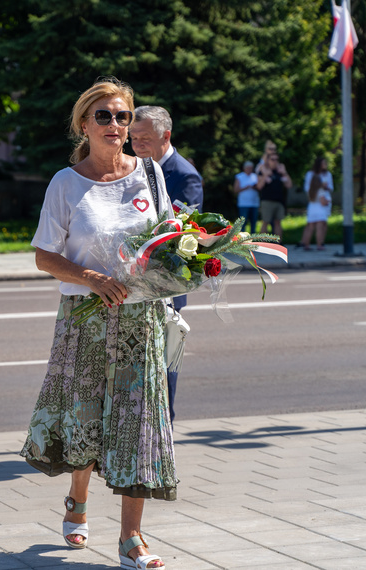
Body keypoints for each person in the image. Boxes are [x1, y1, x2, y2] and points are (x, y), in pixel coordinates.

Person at [20, 79, 174, 570]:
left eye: (122, 116)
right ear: (84, 124)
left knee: (138, 423)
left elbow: (168, 240)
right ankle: (78, 497)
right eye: (104, 116)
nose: (115, 124)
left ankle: (131, 538)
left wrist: (186, 261)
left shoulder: (150, 175)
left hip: (139, 319)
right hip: (85, 319)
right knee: (84, 418)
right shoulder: (65, 183)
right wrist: (91, 278)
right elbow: (45, 256)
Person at [130, 105, 203, 425]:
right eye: (133, 138)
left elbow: (181, 232)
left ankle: (164, 427)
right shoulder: (132, 167)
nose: (137, 145)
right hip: (131, 285)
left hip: (164, 287)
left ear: (166, 136)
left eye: (144, 138)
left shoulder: (184, 175)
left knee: (162, 361)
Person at [256, 152, 292, 238]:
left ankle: (278, 243)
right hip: (267, 201)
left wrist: (285, 173)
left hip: (279, 201)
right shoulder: (263, 171)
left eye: (276, 159)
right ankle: (262, 242)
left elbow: (289, 185)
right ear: (268, 160)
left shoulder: (280, 172)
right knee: (265, 222)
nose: (275, 161)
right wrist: (265, 175)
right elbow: (259, 186)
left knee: (278, 222)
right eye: (272, 159)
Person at [300, 157, 332, 251]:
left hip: (311, 208)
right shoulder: (321, 190)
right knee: (319, 227)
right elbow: (322, 201)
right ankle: (319, 244)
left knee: (310, 227)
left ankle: (306, 244)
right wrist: (327, 201)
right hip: (320, 209)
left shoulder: (311, 191)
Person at [233, 161, 259, 233]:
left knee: (253, 222)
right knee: (242, 223)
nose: (249, 169)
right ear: (244, 168)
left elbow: (259, 187)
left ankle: (253, 237)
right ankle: (241, 237)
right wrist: (245, 187)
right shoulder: (239, 176)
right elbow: (235, 190)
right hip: (243, 204)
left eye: (251, 168)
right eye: (248, 168)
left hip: (254, 203)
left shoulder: (255, 176)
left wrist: (255, 187)